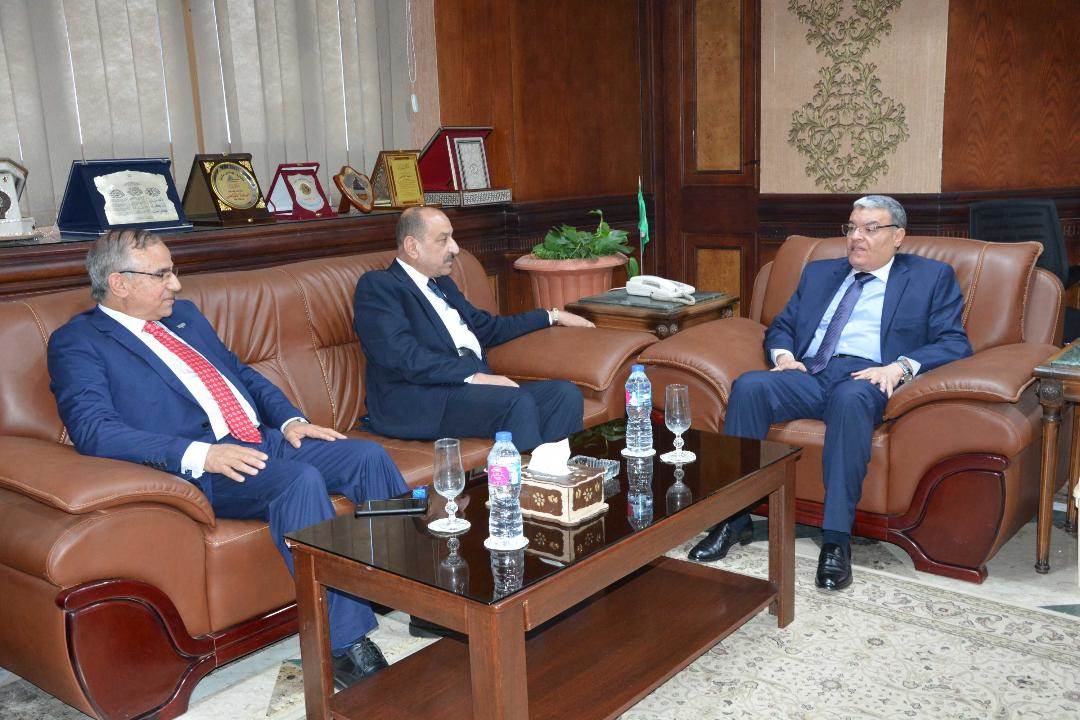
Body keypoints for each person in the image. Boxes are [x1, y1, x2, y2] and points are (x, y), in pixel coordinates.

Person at [47, 229, 408, 688]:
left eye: (173, 272)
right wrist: (203, 454)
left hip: (262, 439)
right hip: (203, 466)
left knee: (367, 457)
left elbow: (241, 375)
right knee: (298, 481)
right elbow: (94, 430)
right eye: (162, 275)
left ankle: (415, 591)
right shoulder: (78, 342)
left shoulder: (185, 317)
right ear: (119, 283)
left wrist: (291, 420)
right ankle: (344, 645)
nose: (176, 284)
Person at [688, 195, 972, 590]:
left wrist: (899, 367)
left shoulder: (930, 277)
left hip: (868, 377)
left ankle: (836, 541)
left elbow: (954, 342)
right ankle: (732, 519)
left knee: (849, 399)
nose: (857, 237)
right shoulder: (820, 273)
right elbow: (782, 326)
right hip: (811, 372)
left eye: (870, 229)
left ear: (898, 236)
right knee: (750, 386)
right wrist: (785, 358)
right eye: (852, 228)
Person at [353, 206, 595, 452]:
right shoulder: (379, 286)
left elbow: (487, 327)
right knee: (515, 401)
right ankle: (525, 477)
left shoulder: (442, 284)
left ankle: (554, 474)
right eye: (443, 240)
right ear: (412, 246)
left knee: (564, 395)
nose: (455, 248)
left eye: (452, 237)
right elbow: (403, 355)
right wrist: (472, 376)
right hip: (419, 399)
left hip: (464, 391)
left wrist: (551, 316)